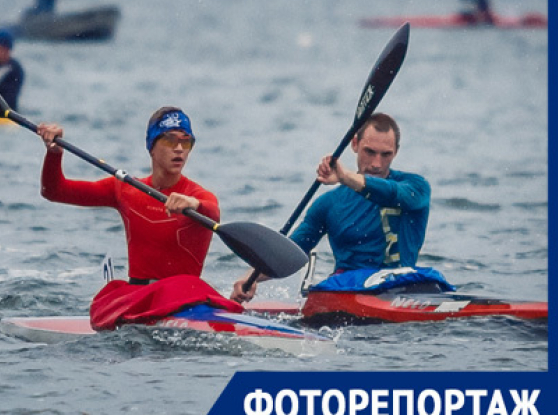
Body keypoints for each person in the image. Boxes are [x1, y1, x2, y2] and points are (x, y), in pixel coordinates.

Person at [37, 107, 243, 330]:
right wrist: (54, 153)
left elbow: (212, 212)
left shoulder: (198, 196)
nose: (179, 149)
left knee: (187, 285)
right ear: (151, 147)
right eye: (169, 140)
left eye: (186, 142)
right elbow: (55, 191)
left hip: (184, 300)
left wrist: (193, 205)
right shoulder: (126, 190)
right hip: (136, 299)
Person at [231, 113, 431, 303]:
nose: (377, 163)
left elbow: (391, 193)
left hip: (400, 289)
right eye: (369, 152)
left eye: (386, 154)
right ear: (354, 144)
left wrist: (345, 178)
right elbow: (293, 251)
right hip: (347, 292)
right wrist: (250, 278)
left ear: (396, 151)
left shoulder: (416, 188)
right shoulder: (328, 204)